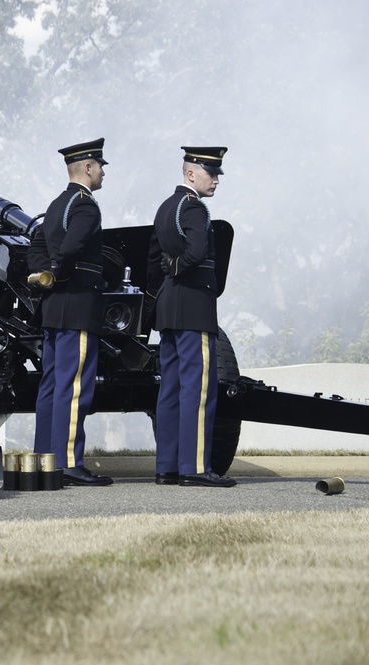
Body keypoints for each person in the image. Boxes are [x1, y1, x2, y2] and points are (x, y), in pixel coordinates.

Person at [148, 146, 236, 487]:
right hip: (194, 307)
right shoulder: (194, 208)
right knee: (198, 390)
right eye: (210, 173)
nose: (215, 180)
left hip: (168, 307)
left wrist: (170, 273)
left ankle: (167, 467)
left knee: (169, 390)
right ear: (190, 174)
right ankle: (195, 468)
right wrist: (180, 266)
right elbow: (196, 252)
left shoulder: (165, 207)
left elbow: (154, 262)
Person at [28, 139, 113, 486]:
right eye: (101, 165)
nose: (104, 171)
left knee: (51, 386)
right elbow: (73, 247)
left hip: (53, 310)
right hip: (78, 308)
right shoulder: (85, 206)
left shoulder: (56, 204)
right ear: (88, 168)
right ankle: (68, 463)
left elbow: (37, 242)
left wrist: (41, 277)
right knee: (75, 387)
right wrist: (58, 272)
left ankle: (44, 459)